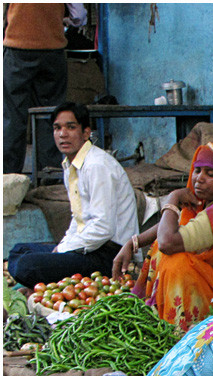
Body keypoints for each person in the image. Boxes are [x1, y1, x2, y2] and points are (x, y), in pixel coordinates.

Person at [114, 143, 213, 331]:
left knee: (176, 263)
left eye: (211, 174)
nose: (199, 179)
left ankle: (177, 330)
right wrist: (133, 243)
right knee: (169, 245)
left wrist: (172, 198)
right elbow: (177, 224)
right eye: (197, 170)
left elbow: (167, 242)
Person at [6, 102, 138, 287]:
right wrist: (63, 247)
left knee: (26, 266)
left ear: (85, 133)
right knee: (18, 250)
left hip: (110, 254)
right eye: (57, 128)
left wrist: (63, 249)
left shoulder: (97, 165)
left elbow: (103, 228)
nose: (62, 134)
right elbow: (78, 219)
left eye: (71, 127)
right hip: (87, 248)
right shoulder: (71, 165)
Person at [3, 3, 86, 174]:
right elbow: (79, 15)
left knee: (12, 117)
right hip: (52, 51)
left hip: (17, 49)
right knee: (50, 115)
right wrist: (63, 21)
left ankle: (7, 179)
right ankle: (48, 177)